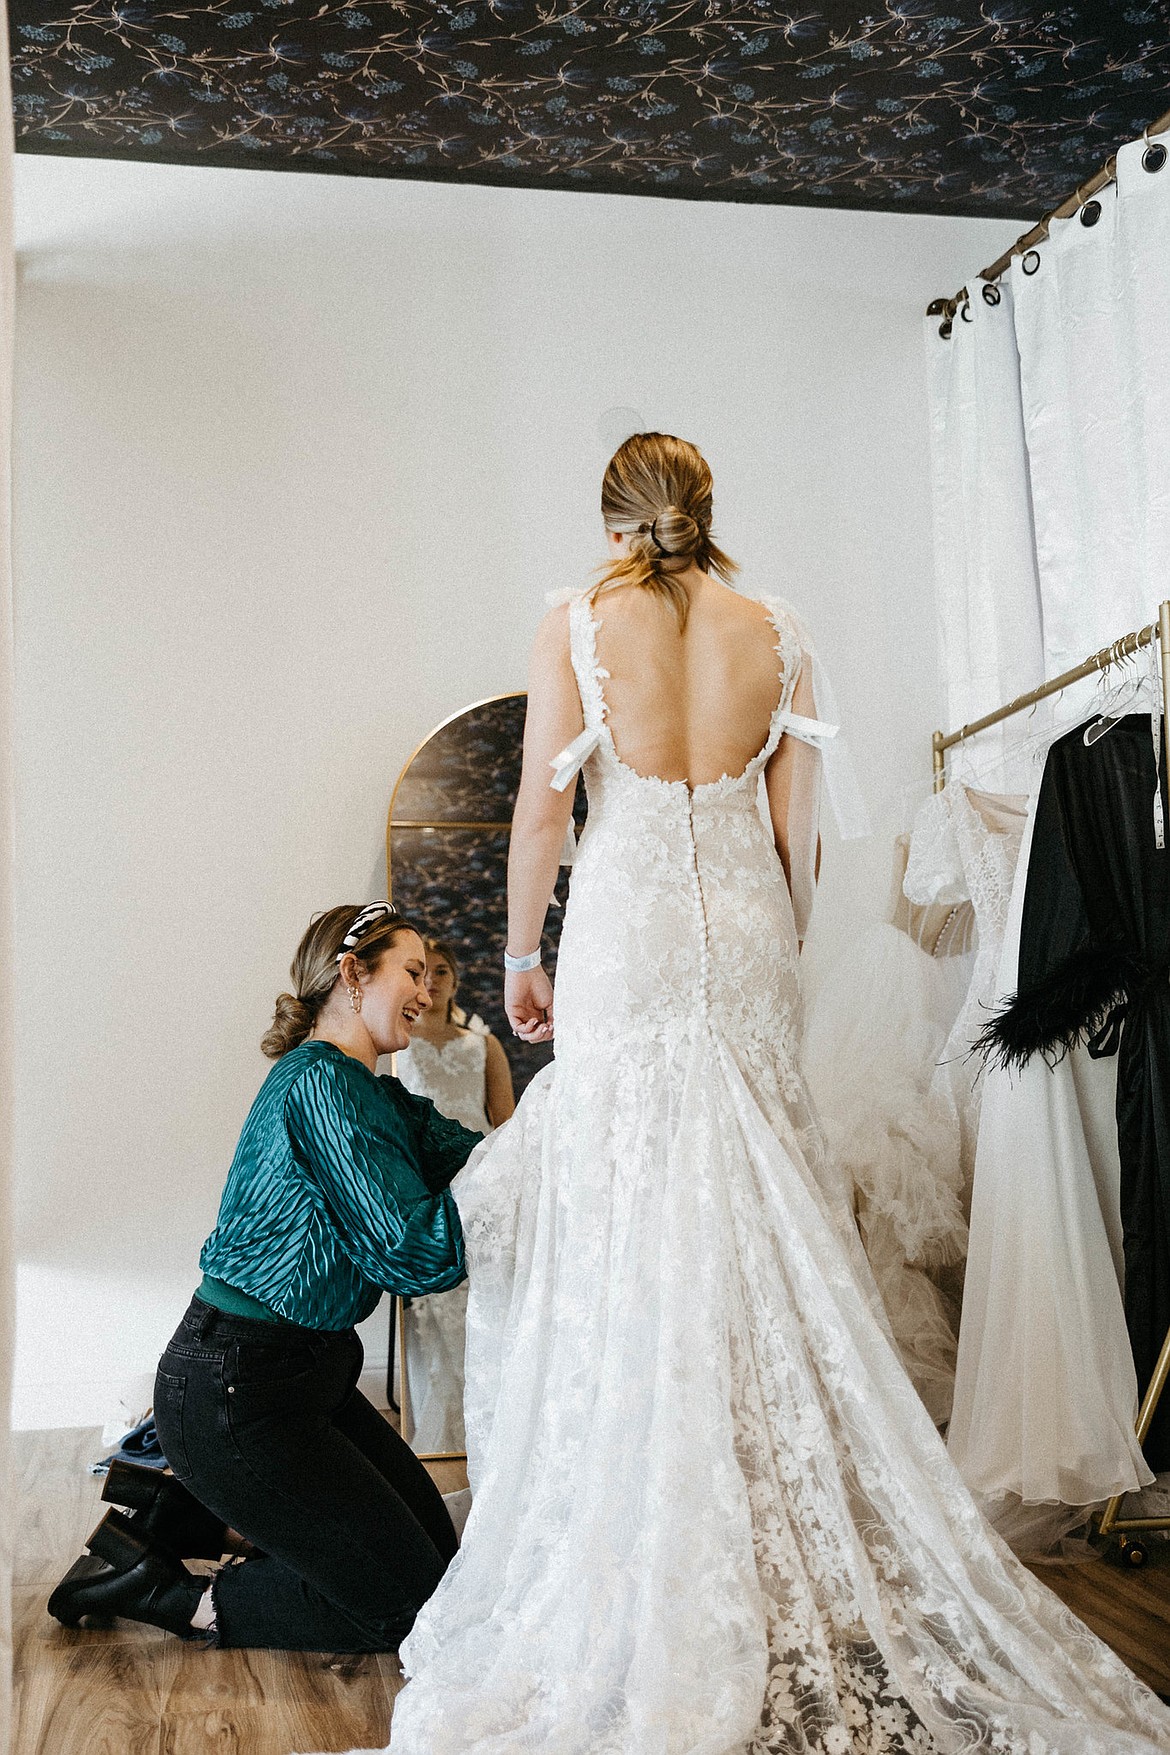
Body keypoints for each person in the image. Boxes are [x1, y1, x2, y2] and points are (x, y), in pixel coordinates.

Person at [377, 433, 1170, 1752]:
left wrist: (523, 959)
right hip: (741, 930)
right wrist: (768, 946)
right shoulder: (778, 627)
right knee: (758, 1213)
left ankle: (652, 1549)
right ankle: (757, 1537)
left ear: (615, 520)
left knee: (647, 1224)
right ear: (703, 509)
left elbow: (537, 813)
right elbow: (800, 835)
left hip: (627, 925)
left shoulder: (576, 620)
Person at [48, 903, 482, 1652]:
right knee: (410, 1609)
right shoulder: (322, 1086)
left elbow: (475, 1155)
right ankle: (165, 1589)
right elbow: (411, 1252)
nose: (428, 990)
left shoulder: (371, 1092)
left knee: (439, 1562)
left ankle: (173, 1512)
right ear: (353, 973)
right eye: (411, 971)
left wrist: (567, 1128)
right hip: (234, 1392)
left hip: (293, 1384)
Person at [395, 937, 515, 1452]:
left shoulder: (482, 1045)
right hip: (427, 1182)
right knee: (435, 1316)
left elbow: (504, 1120)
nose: (434, 981)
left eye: (443, 971)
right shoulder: (399, 1047)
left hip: (479, 1176)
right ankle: (439, 1438)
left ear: (454, 980)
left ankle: (497, 1430)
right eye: (426, 972)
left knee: (487, 1303)